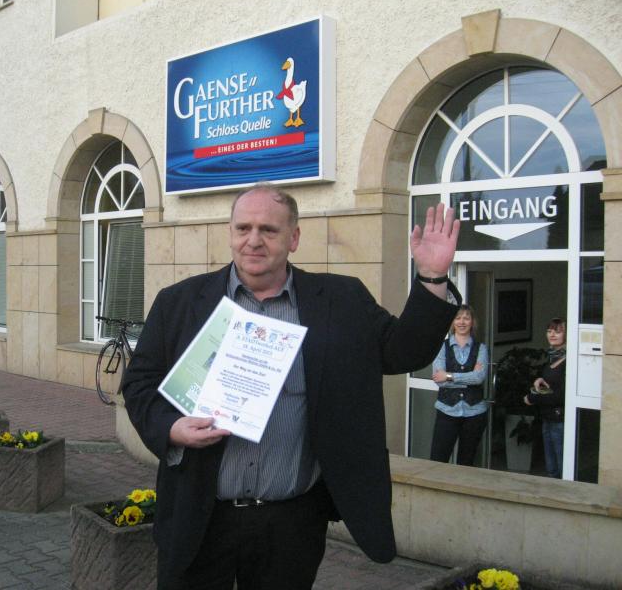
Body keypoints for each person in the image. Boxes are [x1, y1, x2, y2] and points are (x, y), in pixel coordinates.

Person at [122, 184, 461, 589]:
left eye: (268, 229)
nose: (253, 240)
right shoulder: (179, 302)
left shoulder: (341, 300)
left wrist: (432, 277)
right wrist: (171, 428)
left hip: (291, 524)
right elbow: (139, 383)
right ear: (230, 233)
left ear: (294, 238)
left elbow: (404, 352)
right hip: (199, 515)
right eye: (243, 228)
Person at [429, 305, 489, 466]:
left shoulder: (481, 348)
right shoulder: (442, 347)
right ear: (453, 322)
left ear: (472, 322)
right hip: (446, 411)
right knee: (437, 460)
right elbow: (439, 379)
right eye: (458, 318)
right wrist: (468, 377)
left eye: (466, 318)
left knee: (466, 463)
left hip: (474, 413)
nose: (462, 322)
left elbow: (479, 378)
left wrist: (449, 376)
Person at [524, 318, 566, 478]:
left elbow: (561, 395)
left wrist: (532, 398)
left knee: (561, 468)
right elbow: (552, 386)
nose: (552, 335)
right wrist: (541, 381)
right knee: (551, 468)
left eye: (558, 331)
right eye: (549, 331)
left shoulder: (569, 360)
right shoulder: (552, 356)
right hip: (547, 417)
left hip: (559, 419)